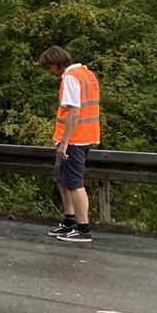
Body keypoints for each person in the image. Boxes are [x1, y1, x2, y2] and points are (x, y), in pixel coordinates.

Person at [40, 45, 100, 242]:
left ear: (57, 64)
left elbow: (74, 111)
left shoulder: (70, 78)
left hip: (75, 139)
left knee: (74, 183)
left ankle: (83, 229)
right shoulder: (86, 73)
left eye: (50, 68)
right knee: (63, 180)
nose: (50, 73)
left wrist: (65, 142)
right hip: (84, 136)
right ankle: (69, 222)